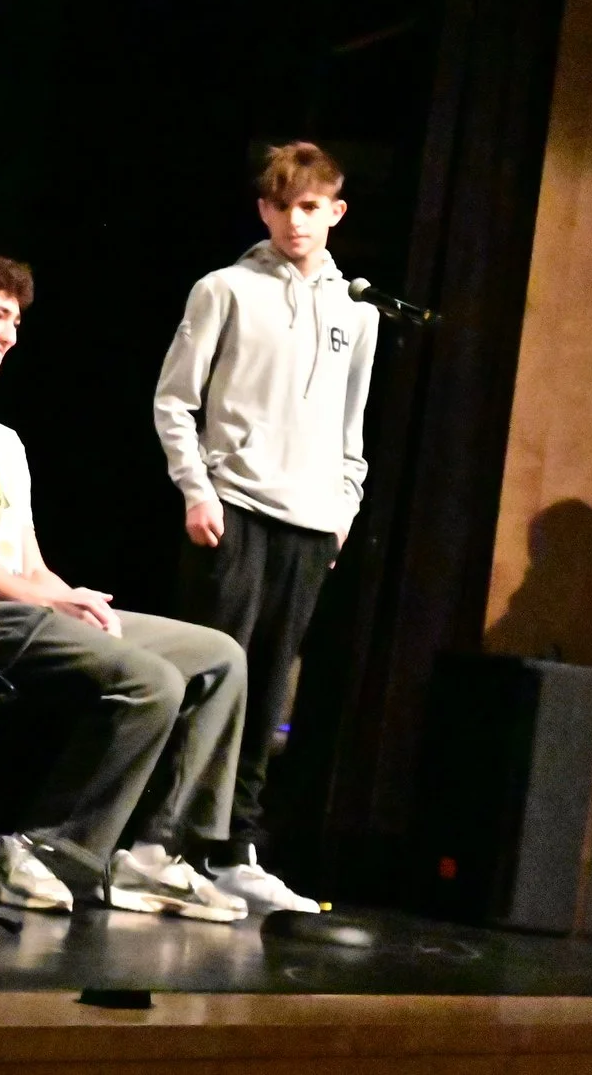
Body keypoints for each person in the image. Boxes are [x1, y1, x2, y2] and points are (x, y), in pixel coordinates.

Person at [0, 253, 261, 920]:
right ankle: (46, 848)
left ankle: (155, 853)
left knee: (218, 656)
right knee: (152, 680)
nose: (9, 334)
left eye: (17, 320)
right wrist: (44, 599)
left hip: (21, 614)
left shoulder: (3, 440)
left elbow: (31, 563)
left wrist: (75, 599)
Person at [150, 141, 377, 913]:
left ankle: (234, 847)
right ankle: (163, 839)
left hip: (311, 527)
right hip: (236, 510)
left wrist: (342, 512)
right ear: (263, 209)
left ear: (335, 211)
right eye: (280, 206)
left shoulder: (358, 314)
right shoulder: (225, 289)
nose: (294, 221)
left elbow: (353, 433)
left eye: (309, 206)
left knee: (275, 681)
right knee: (216, 674)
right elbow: (174, 400)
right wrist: (197, 490)